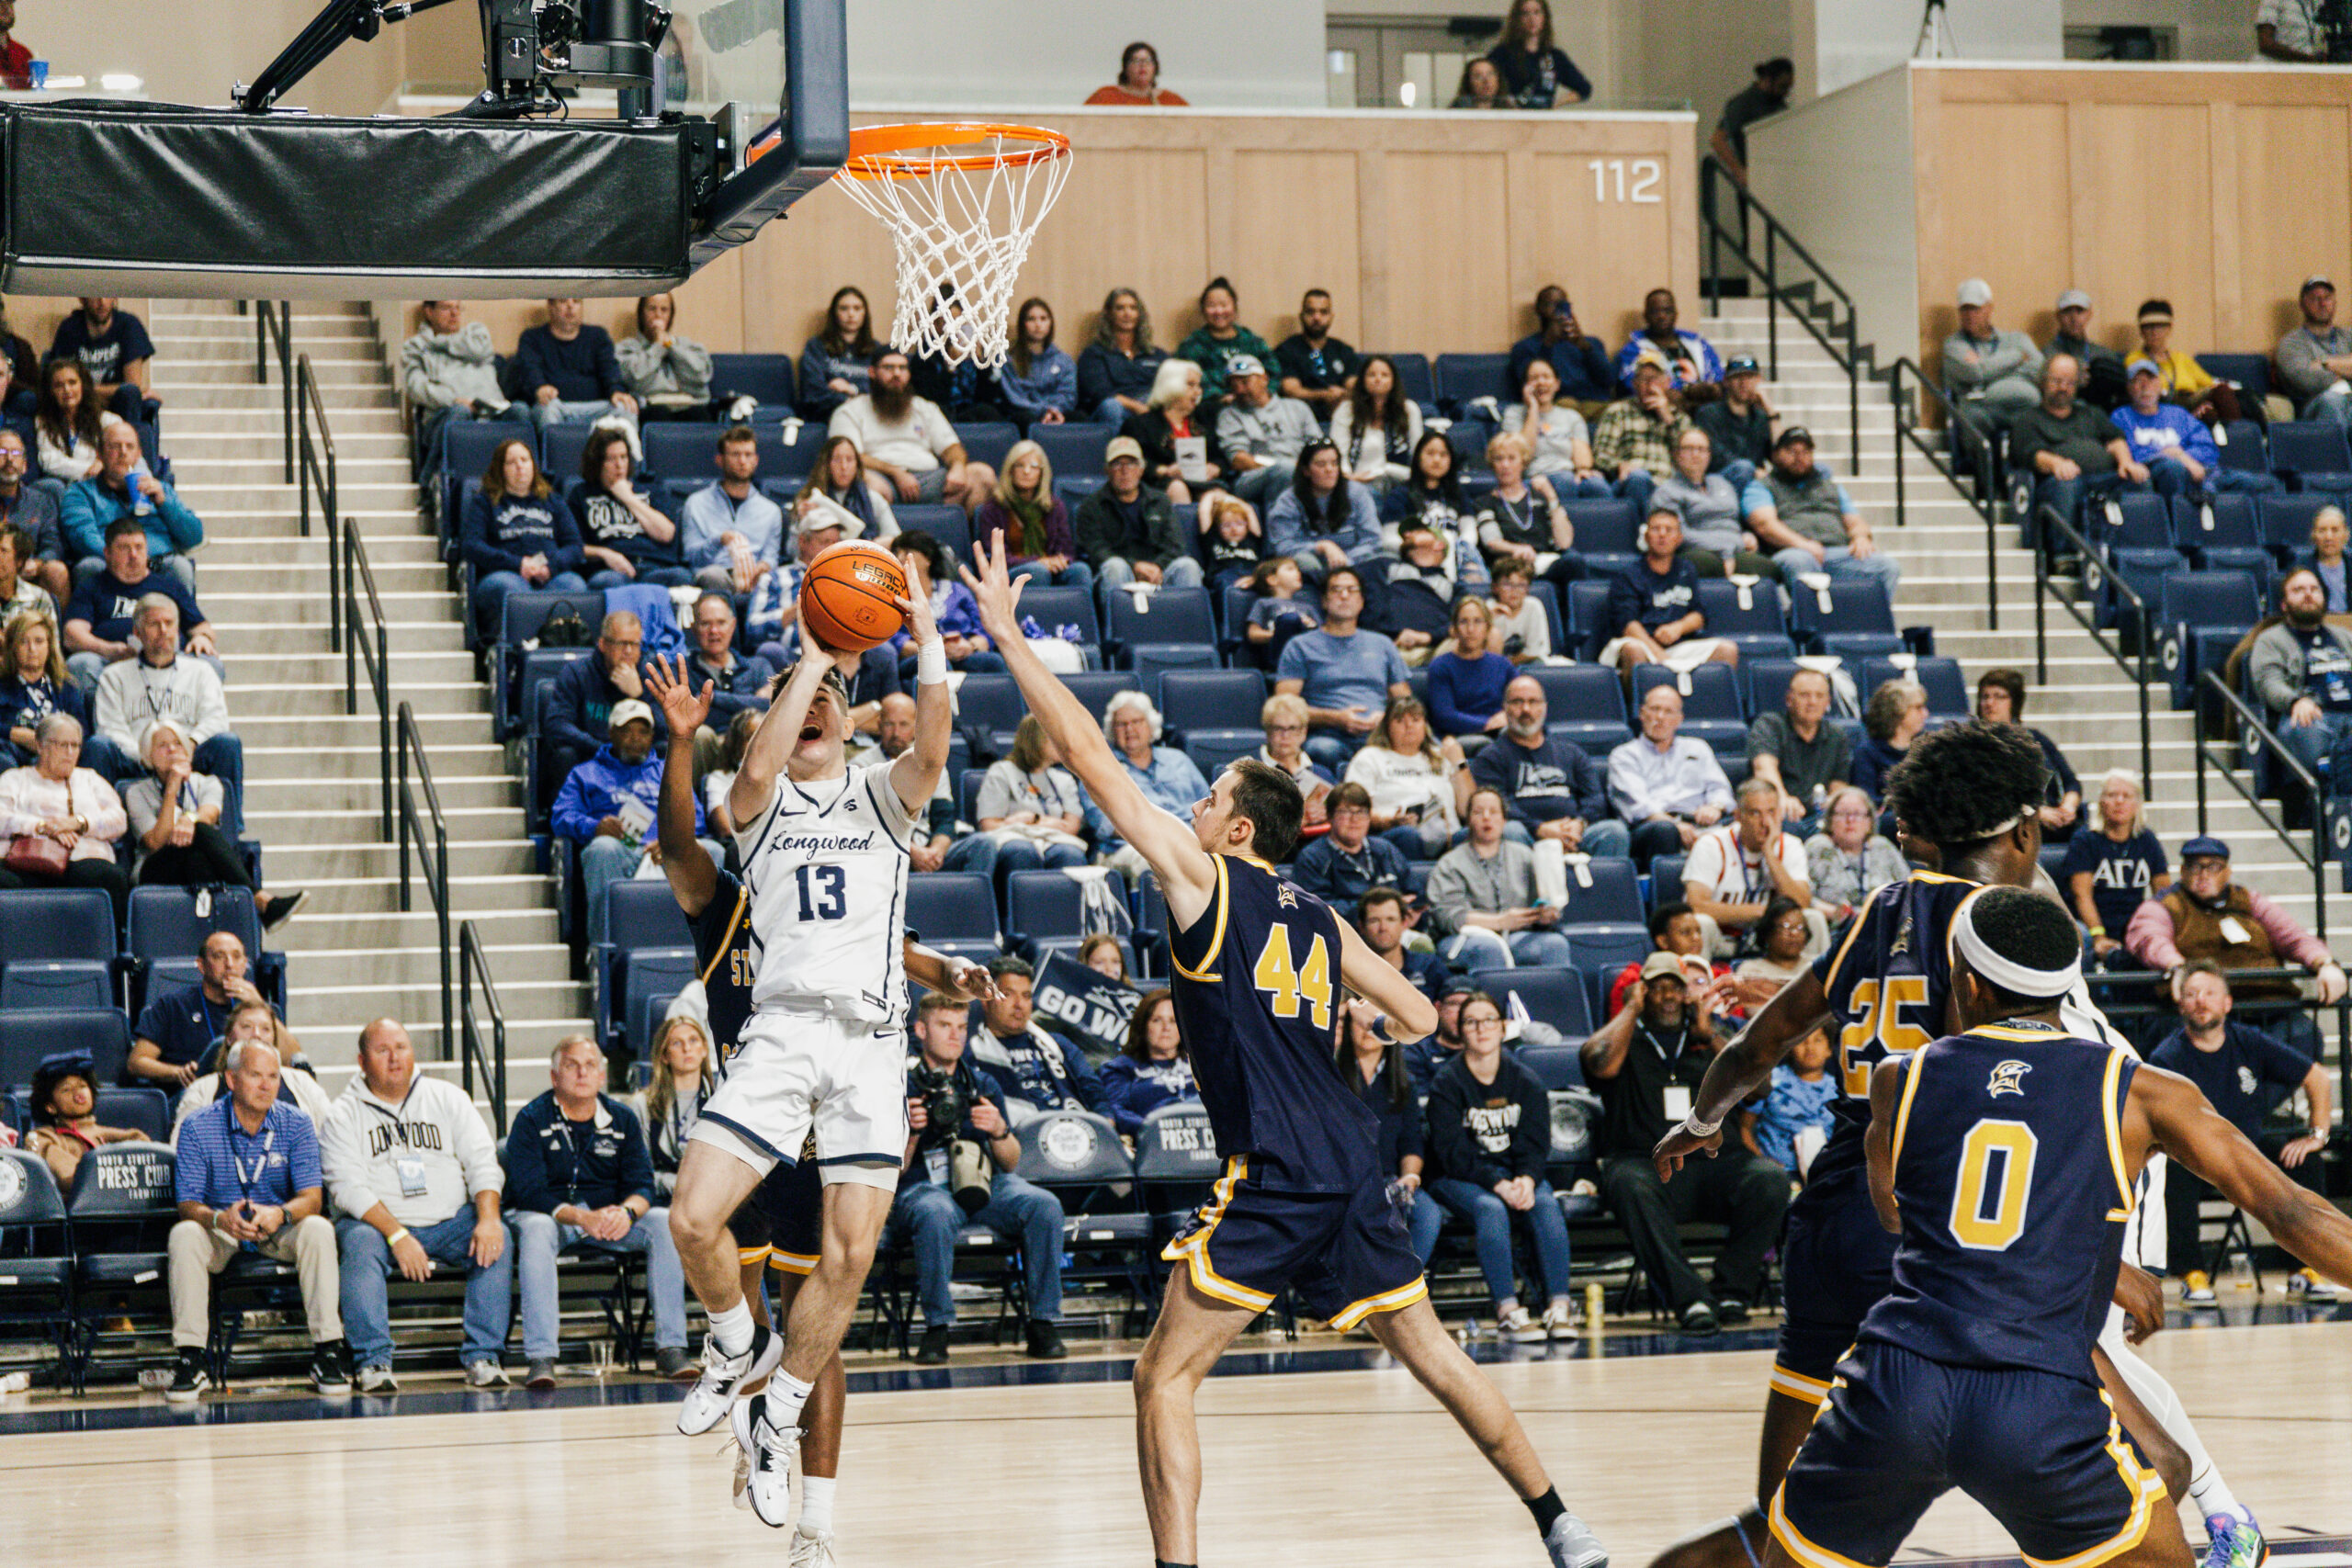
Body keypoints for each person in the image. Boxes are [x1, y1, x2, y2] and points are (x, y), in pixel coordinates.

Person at [960, 532, 1610, 1568]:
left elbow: (1089, 756)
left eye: (1210, 799)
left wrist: (1006, 638)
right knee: (1431, 1351)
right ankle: (1561, 1525)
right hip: (1348, 1159)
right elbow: (1413, 1013)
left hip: (1274, 1170)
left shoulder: (1203, 878)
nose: (1194, 805)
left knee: (1160, 1378)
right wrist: (1342, 1041)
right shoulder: (1322, 917)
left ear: (1237, 834)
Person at [1650, 723, 2263, 1568]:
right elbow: (1992, 1104)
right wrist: (2090, 1256)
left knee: (1782, 1530)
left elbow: (1763, 1040)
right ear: (2019, 830)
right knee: (2139, 1456)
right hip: (1917, 1219)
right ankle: (2221, 1515)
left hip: (1827, 1213)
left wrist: (1704, 1117)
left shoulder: (1878, 908)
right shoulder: (1995, 929)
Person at [1762, 887, 2352, 1568]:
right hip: (2038, 1393)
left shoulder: (1899, 1079)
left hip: (1897, 1381)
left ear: (1968, 981)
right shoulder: (2140, 1089)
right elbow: (2291, 1211)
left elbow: (1892, 1209)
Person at [642, 654, 987, 1549]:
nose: (819, 708)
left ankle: (800, 1488)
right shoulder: (737, 865)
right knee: (697, 1228)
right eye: (806, 704)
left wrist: (942, 968)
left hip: (857, 1062)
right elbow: (707, 818)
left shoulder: (877, 800)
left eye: (833, 701)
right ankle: (734, 1358)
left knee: (831, 1300)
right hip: (774, 1071)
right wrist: (812, 652)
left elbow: (888, 930)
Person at [1585, 952, 1786, 1333]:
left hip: (1714, 1165)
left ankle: (1733, 1291)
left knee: (1769, 1179)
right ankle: (1690, 1298)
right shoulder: (1625, 1040)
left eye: (1675, 988)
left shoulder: (1710, 1041)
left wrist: (1709, 1034)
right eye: (1656, 988)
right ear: (1641, 993)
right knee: (1626, 1183)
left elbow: (1760, 1088)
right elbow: (1601, 1065)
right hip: (1645, 1164)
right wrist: (1630, 1009)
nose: (1668, 996)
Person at [322, 1018, 514, 1393]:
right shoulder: (342, 1114)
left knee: (498, 1234)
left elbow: (482, 1163)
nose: (395, 1058)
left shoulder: (448, 1098)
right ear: (362, 1062)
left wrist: (489, 1218)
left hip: (450, 1220)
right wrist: (397, 1234)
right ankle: (373, 1362)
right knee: (358, 1242)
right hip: (377, 1227)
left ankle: (483, 1356)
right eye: (382, 1050)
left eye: (402, 1047)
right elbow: (347, 1188)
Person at [888, 990, 1071, 1363]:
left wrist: (1000, 1130)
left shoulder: (982, 1084)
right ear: (921, 1030)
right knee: (934, 1213)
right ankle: (938, 1329)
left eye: (961, 1027)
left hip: (985, 1183)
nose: (955, 1036)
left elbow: (1011, 1163)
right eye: (944, 1026)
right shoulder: (899, 1087)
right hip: (923, 1186)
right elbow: (891, 1173)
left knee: (1043, 1205)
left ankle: (1043, 1324)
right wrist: (911, 1133)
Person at [165, 1038, 348, 1401]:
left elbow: (313, 1198)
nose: (267, 1085)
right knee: (184, 1234)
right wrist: (219, 1218)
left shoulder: (297, 1123)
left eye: (273, 1076)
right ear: (231, 1080)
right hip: (222, 1230)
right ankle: (191, 1357)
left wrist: (281, 1213)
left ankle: (328, 1350)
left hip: (277, 1227)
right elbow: (187, 1203)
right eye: (255, 1076)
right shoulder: (197, 1126)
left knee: (318, 1228)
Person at [506, 1033, 692, 1386]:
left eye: (590, 1065)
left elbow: (642, 1185)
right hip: (553, 1216)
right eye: (571, 1065)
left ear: (602, 1076)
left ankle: (672, 1349)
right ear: (553, 1076)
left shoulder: (621, 1118)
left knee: (664, 1222)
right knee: (535, 1230)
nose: (582, 1073)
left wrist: (626, 1213)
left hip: (610, 1219)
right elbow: (528, 1192)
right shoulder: (531, 1119)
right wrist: (581, 1217)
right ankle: (541, 1357)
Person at [2149, 964, 2338, 1303]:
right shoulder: (2167, 1057)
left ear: (2227, 1003)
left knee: (2303, 1160)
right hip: (2194, 1157)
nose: (2200, 1001)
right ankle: (2191, 1275)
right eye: (2191, 995)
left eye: (2209, 993)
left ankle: (2303, 1270)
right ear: (2181, 1006)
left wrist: (2317, 1137)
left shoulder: (2247, 1040)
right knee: (2172, 1172)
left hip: (2248, 1150)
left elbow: (2317, 1078)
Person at [1425, 989, 1577, 1338]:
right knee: (1490, 1208)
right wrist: (1498, 1183)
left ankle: (1559, 1307)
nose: (1481, 1029)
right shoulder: (1446, 1083)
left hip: (1515, 1175)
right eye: (1471, 1022)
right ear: (1461, 1031)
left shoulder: (1526, 1080)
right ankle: (1508, 1310)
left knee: (1544, 1202)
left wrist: (1525, 1178)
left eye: (1489, 1020)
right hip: (1459, 1177)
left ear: (1503, 1027)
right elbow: (1452, 1153)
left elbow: (1536, 1144)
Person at [2122, 834, 2345, 1050]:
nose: (2203, 874)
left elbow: (2293, 936)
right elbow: (2149, 937)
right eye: (2195, 867)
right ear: (2182, 871)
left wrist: (2324, 962)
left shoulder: (2249, 901)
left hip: (2267, 1005)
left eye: (2214, 867)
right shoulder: (2166, 903)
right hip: (2203, 1012)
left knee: (2304, 1035)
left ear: (2227, 872)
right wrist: (2177, 966)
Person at [556, 698, 709, 947]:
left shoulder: (667, 770)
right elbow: (562, 816)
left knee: (712, 851)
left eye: (643, 731)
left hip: (666, 851)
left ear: (651, 736)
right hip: (621, 851)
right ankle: (605, 952)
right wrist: (594, 827)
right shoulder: (586, 773)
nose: (635, 738)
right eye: (626, 730)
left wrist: (673, 842)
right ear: (611, 733)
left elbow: (698, 816)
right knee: (602, 849)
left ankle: (706, 949)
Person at [123, 717, 304, 919]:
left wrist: (188, 819)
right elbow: (156, 842)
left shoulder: (209, 783)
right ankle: (260, 901)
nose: (172, 750)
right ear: (149, 756)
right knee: (200, 833)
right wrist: (172, 789)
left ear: (188, 752)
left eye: (178, 744)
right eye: (162, 746)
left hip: (194, 862)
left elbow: (209, 814)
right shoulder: (136, 793)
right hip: (155, 869)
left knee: (199, 859)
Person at [1466, 674, 1629, 857]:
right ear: (1505, 708)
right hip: (1527, 838)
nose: (1526, 709)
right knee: (1510, 831)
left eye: (1533, 701)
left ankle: (1600, 886)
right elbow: (1498, 806)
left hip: (1574, 836)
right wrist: (1539, 828)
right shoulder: (1490, 757)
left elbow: (1595, 799)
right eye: (1517, 702)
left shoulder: (1571, 752)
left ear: (1544, 707)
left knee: (1615, 831)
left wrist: (1578, 825)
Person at [1339, 1000, 1446, 1265]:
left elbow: (1412, 1142)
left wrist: (1410, 1176)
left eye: (1376, 1024)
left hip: (1389, 1180)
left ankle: (1405, 1288)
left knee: (1428, 1213)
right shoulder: (1331, 1076)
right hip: (1343, 1181)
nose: (1368, 1030)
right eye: (1362, 1023)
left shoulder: (1404, 1082)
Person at [1274, 565, 1411, 770]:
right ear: (1324, 600)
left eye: (1352, 590)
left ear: (1362, 600)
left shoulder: (1382, 644)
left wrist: (1386, 718)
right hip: (1328, 736)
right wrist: (1336, 718)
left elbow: (1405, 701)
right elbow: (1285, 708)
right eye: (1336, 590)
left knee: (1429, 749)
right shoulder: (1300, 646)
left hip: (1380, 735)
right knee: (1321, 749)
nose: (1344, 596)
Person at [828, 348, 995, 514]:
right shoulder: (849, 411)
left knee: (982, 475)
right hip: (880, 479)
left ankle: (955, 532)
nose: (897, 374)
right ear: (872, 372)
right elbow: (848, 457)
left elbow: (951, 447)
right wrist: (895, 472)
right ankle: (880, 538)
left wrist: (958, 466)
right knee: (867, 485)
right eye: (888, 368)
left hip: (928, 479)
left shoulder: (924, 407)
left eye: (902, 368)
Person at [0, 712, 128, 923]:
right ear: (40, 746)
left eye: (75, 746)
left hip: (81, 858)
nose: (70, 753)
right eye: (62, 745)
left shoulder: (90, 779)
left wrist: (78, 822)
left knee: (110, 877)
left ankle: (116, 952)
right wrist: (42, 826)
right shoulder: (15, 778)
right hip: (26, 860)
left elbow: (119, 820)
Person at [1741, 427, 1898, 598]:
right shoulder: (1762, 486)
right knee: (1800, 561)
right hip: (1792, 552)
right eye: (1791, 451)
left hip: (1836, 552)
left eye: (1805, 451)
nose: (1799, 457)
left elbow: (1855, 521)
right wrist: (1803, 545)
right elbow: (1765, 525)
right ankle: (1813, 623)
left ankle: (1866, 623)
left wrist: (1861, 537)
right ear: (1776, 455)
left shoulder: (1830, 487)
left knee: (1887, 566)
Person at [2012, 354, 2152, 546]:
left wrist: (2126, 463)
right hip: (2058, 482)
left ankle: (2144, 551)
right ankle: (2064, 557)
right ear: (2043, 382)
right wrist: (2056, 464)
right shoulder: (2029, 420)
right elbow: (2031, 454)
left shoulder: (2091, 413)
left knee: (2140, 479)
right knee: (2068, 485)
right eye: (2057, 381)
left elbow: (2115, 439)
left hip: (2103, 479)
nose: (2063, 388)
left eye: (2070, 382)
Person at [1428, 786, 1571, 972]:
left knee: (1554, 944)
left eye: (1494, 812)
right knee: (1489, 948)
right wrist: (1500, 921)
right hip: (1464, 939)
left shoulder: (1524, 855)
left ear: (1504, 820)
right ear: (1469, 820)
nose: (1486, 817)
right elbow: (1448, 917)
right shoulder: (1450, 863)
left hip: (1516, 936)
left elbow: (1540, 901)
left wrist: (1544, 915)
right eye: (1478, 812)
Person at [461, 437, 587, 634]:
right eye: (512, 462)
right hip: (505, 573)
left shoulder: (552, 500)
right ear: (500, 469)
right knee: (516, 591)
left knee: (575, 585)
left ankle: (560, 647)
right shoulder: (485, 502)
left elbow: (575, 547)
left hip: (550, 574)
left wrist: (550, 566)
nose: (520, 466)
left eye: (525, 460)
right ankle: (519, 653)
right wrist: (518, 564)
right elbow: (472, 546)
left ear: (534, 466)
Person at [2247, 568, 2352, 804]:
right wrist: (2296, 700)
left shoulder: (2343, 636)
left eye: (2314, 589)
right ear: (2284, 604)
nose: (2308, 594)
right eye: (2298, 590)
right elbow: (2268, 682)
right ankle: (2322, 808)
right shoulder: (2271, 640)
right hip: (2312, 717)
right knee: (2305, 730)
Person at [61, 420, 203, 592]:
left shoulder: (160, 490)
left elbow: (194, 536)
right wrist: (128, 560)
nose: (123, 452)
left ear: (138, 455)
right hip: (108, 566)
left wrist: (164, 503)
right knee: (89, 567)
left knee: (180, 567)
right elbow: (84, 538)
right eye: (115, 446)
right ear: (100, 454)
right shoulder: (80, 492)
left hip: (157, 564)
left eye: (130, 447)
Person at [1683, 779, 1818, 959]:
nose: (1765, 822)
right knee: (1702, 923)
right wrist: (1761, 912)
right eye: (1755, 813)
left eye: (1771, 812)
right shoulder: (1712, 844)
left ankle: (1816, 985)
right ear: (1738, 816)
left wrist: (1770, 854)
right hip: (1723, 938)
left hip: (1773, 937)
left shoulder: (1791, 846)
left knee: (1812, 919)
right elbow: (1696, 906)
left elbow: (1801, 903)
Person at [2111, 356, 2279, 499]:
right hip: (2162, 478)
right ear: (2129, 388)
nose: (2145, 386)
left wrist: (2184, 457)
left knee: (2268, 484)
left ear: (2160, 385)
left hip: (2202, 473)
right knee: (2172, 469)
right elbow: (2131, 454)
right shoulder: (2121, 417)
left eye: (2150, 379)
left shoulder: (2178, 414)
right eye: (2137, 381)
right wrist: (2172, 456)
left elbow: (2208, 449)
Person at [1609, 683, 1736, 869]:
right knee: (1664, 831)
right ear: (1642, 714)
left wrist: (1715, 807)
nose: (1660, 717)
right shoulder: (1624, 755)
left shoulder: (1697, 748)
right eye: (1655, 709)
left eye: (1668, 712)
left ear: (1679, 719)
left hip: (1700, 822)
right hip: (1655, 827)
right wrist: (1676, 825)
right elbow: (1639, 807)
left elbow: (1720, 789)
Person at [130, 930, 275, 1089]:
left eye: (236, 956)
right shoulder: (173, 1005)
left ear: (244, 964)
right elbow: (137, 1062)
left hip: (249, 1091)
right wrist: (177, 1072)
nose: (229, 964)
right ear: (202, 965)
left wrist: (260, 1004)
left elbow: (292, 1056)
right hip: (191, 1092)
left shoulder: (257, 1008)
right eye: (219, 956)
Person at [968, 957, 1111, 1120]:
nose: (1019, 1004)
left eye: (1026, 996)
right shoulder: (972, 1053)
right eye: (1008, 995)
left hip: (1073, 1130)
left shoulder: (1058, 1044)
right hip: (1017, 1136)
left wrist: (1107, 1123)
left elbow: (1094, 1091)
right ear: (986, 1000)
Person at [1089, 691, 1212, 875]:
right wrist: (1161, 837)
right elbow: (1105, 825)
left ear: (1151, 725)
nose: (1129, 729)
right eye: (1122, 724)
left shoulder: (1178, 760)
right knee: (1155, 860)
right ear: (1111, 730)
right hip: (1131, 849)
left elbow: (1208, 805)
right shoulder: (1100, 768)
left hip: (1191, 841)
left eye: (1136, 722)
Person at [1602, 510, 1738, 674]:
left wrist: (1678, 628)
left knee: (1727, 650)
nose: (1662, 534)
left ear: (1679, 538)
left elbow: (1699, 615)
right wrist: (1658, 655)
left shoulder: (1687, 570)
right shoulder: (1629, 575)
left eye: (1669, 529)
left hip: (1677, 645)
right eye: (1655, 529)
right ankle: (1638, 700)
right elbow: (1628, 625)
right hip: (1640, 643)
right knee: (1634, 649)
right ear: (1646, 537)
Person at [971, 713, 1091, 890]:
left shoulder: (1064, 779)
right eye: (1054, 737)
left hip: (1054, 840)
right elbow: (989, 825)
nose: (1062, 743)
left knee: (1069, 854)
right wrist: (1052, 823)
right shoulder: (1001, 772)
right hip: (1014, 839)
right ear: (1036, 740)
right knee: (1022, 851)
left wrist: (1032, 819)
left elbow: (1071, 826)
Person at [2061, 771, 2168, 967]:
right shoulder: (2085, 840)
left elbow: (2163, 894)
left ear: (2137, 805)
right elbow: (2082, 896)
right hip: (2091, 924)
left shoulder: (2147, 841)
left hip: (2134, 923)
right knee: (2082, 936)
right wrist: (2098, 936)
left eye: (2127, 796)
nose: (2119, 801)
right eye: (2112, 795)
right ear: (2101, 802)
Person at [544, 609, 655, 794]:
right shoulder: (577, 673)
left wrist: (638, 696)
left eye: (634, 645)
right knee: (564, 754)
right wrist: (603, 749)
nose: (628, 651)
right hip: (590, 756)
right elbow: (557, 724)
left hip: (637, 758)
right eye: (621, 644)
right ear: (602, 644)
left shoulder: (648, 677)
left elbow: (664, 729)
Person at [568, 425, 690, 589]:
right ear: (597, 463)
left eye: (624, 457)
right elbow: (573, 546)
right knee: (610, 582)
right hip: (611, 570)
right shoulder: (581, 495)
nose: (619, 465)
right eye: (611, 459)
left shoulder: (650, 490)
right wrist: (605, 553)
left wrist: (628, 498)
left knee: (681, 577)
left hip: (655, 566)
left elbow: (666, 534)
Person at [1073, 436, 1201, 589]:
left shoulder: (1160, 501)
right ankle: (1117, 612)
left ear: (1141, 469)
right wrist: (1134, 566)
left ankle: (1187, 613)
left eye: (1131, 464)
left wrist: (1157, 566)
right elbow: (1097, 550)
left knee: (1188, 566)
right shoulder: (1091, 506)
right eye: (1117, 464)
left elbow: (1176, 545)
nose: (1124, 471)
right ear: (1107, 470)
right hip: (1121, 570)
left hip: (1158, 570)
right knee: (1114, 567)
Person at [677, 424, 788, 600]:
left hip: (754, 578)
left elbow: (771, 557)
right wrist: (720, 540)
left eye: (748, 455)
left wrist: (762, 568)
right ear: (720, 460)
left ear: (756, 460)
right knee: (714, 576)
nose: (742, 461)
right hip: (713, 576)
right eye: (735, 454)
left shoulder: (771, 511)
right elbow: (691, 556)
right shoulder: (696, 503)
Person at [1655, 425, 1778, 581]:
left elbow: (1734, 521)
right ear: (1677, 455)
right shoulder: (1667, 492)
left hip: (1735, 549)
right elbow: (1678, 535)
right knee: (1705, 564)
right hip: (1698, 550)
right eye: (1688, 448)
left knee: (1767, 567)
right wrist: (1726, 548)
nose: (1695, 454)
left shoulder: (1722, 483)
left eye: (1701, 449)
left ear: (1709, 455)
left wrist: (1745, 536)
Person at [1973, 667, 2082, 841]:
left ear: (2014, 703)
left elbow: (2071, 782)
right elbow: (1986, 798)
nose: (1989, 703)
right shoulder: (1974, 744)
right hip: (2008, 828)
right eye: (1985, 696)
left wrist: (2068, 806)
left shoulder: (2035, 738)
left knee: (2087, 838)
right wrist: (2036, 814)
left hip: (2052, 820)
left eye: (1999, 696)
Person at [401, 300, 524, 453]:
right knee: (460, 412)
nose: (455, 313)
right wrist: (454, 400)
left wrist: (440, 342)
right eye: (447, 308)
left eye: (457, 307)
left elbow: (482, 350)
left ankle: (533, 474)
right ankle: (437, 473)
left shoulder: (475, 335)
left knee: (520, 410)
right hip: (447, 413)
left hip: (492, 412)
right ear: (429, 312)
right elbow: (416, 388)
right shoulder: (416, 346)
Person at [681, 593, 774, 776]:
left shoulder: (758, 666)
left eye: (721, 623)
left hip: (752, 746)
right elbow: (686, 716)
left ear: (732, 625)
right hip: (708, 750)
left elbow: (771, 707)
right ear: (693, 628)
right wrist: (751, 701)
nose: (714, 631)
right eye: (705, 624)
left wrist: (714, 699)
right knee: (701, 735)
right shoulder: (683, 670)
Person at [975, 439, 1091, 588]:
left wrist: (1060, 560)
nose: (1026, 471)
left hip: (1048, 568)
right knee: (1036, 571)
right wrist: (1038, 561)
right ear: (1010, 471)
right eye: (1020, 465)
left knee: (1080, 570)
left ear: (1042, 473)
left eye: (1034, 466)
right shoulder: (993, 509)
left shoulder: (1054, 506)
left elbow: (1067, 551)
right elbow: (996, 558)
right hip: (1009, 572)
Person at [891, 531, 1005, 679]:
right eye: (896, 553)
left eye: (906, 552)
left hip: (961, 652)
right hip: (917, 656)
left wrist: (971, 646)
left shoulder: (957, 590)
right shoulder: (894, 597)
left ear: (928, 559)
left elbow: (984, 629)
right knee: (938, 662)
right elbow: (892, 639)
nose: (899, 558)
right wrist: (934, 650)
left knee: (994, 662)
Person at [1215, 354, 1321, 510]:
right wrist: (1290, 468)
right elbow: (1239, 460)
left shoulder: (1298, 408)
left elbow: (1318, 449)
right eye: (1234, 385)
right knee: (1285, 470)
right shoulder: (1230, 415)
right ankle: (1280, 531)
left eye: (1245, 382)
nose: (1240, 390)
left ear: (1264, 379)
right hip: (1253, 478)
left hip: (1302, 471)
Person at [1746, 670, 1849, 831]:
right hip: (1782, 814)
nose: (1812, 702)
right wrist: (1782, 798)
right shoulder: (1769, 725)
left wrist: (1832, 803)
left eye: (1819, 696)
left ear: (1828, 702)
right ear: (1789, 699)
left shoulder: (1837, 735)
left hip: (1819, 816)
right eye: (1804, 695)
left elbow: (1839, 786)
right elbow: (1764, 768)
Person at [1941, 278, 2045, 436]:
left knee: (2044, 417)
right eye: (1964, 309)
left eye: (1975, 309)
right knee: (1973, 419)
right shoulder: (1954, 345)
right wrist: (2017, 358)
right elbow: (1975, 373)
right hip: (1979, 408)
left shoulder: (2017, 339)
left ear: (1989, 309)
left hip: (2021, 406)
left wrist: (1987, 369)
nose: (1969, 315)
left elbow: (2040, 369)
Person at [516, 297, 638, 432]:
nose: (570, 306)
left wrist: (616, 391)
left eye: (576, 301)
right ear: (550, 305)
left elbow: (609, 369)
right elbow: (530, 369)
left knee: (625, 408)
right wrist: (539, 387)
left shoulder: (598, 336)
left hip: (596, 408)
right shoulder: (532, 338)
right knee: (548, 409)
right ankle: (555, 452)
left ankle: (626, 453)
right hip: (556, 406)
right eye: (563, 301)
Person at [1476, 432, 1579, 588]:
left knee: (1574, 562)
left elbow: (1564, 542)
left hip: (1545, 562)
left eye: (1511, 458)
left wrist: (1551, 497)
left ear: (1523, 462)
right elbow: (1492, 542)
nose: (1505, 465)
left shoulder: (1541, 496)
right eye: (1499, 459)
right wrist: (1517, 549)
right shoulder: (1485, 502)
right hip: (1510, 564)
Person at [24, 1052, 144, 1187]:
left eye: (83, 1086)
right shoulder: (41, 1137)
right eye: (66, 1090)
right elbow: (73, 1178)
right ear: (51, 1106)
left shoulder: (117, 1135)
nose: (78, 1093)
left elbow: (145, 1155)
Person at [1590, 355, 1690, 516]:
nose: (1650, 385)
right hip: (1630, 482)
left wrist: (1667, 418)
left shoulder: (1679, 418)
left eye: (1655, 379)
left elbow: (1689, 457)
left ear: (1667, 383)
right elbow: (1601, 455)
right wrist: (1619, 466)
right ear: (1634, 384)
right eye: (1643, 379)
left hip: (1668, 484)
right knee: (1639, 477)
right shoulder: (1618, 412)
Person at [1291, 782, 1411, 909]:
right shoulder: (1312, 858)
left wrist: (1410, 910)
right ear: (1330, 817)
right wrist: (1374, 910)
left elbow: (1414, 892)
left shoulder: (1386, 849)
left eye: (1361, 812)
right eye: (1345, 812)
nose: (1354, 819)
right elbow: (1319, 909)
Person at [1736, 1026, 1835, 1176]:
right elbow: (1744, 1128)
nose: (1810, 1047)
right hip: (1775, 1175)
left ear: (1829, 1049)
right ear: (1789, 1048)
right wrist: (1765, 1166)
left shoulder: (1838, 1090)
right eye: (1802, 1041)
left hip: (1824, 1175)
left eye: (1818, 1040)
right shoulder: (1770, 1080)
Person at [2132, 300, 2245, 429]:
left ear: (2170, 328)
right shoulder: (2135, 360)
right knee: (2208, 417)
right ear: (2141, 331)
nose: (2155, 332)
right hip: (2166, 405)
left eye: (2161, 326)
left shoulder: (2180, 358)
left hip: (2192, 400)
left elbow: (2209, 383)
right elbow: (2146, 390)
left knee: (2222, 394)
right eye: (2149, 327)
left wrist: (2206, 403)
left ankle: (2241, 436)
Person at [1100, 987, 1200, 1135]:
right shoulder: (1121, 1068)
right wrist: (1157, 1129)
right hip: (1154, 1142)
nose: (1166, 1028)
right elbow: (1117, 1112)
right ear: (1143, 1026)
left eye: (1173, 1021)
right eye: (1157, 1020)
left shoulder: (1200, 1066)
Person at [616, 292, 728, 421]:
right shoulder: (627, 348)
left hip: (690, 405)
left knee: (699, 415)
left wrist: (669, 345)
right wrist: (658, 346)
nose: (658, 315)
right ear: (641, 313)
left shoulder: (688, 346)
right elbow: (637, 380)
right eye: (652, 309)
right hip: (651, 408)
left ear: (671, 315)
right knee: (659, 414)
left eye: (664, 310)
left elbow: (700, 376)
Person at [1804, 786, 1905, 926]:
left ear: (1869, 822)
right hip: (1834, 928)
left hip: (1883, 926)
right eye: (1843, 813)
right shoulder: (1818, 847)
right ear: (1830, 820)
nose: (1850, 820)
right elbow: (1803, 897)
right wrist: (1833, 912)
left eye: (1857, 814)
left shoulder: (1883, 847)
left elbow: (1907, 889)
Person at [1123, 357, 1217, 505]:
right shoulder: (1140, 425)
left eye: (1199, 386)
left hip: (1204, 482)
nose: (1198, 391)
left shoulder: (1205, 419)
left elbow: (1222, 457)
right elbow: (1130, 461)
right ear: (1172, 386)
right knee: (1178, 488)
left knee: (1215, 494)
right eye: (1191, 385)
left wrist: (1215, 468)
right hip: (1161, 484)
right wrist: (1164, 470)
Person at [637, 1016, 713, 1195]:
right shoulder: (642, 1104)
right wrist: (672, 1184)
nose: (687, 1049)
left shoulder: (721, 1102)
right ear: (664, 1055)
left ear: (704, 1049)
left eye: (693, 1041)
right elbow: (637, 1173)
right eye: (676, 1043)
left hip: (711, 1199)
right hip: (662, 1200)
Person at [1510, 288, 1616, 416]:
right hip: (1558, 403)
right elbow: (1529, 384)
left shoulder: (1590, 343)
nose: (1557, 311)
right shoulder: (1525, 347)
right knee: (1567, 405)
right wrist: (1548, 343)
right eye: (1551, 305)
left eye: (1562, 305)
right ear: (1538, 309)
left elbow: (1609, 379)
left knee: (1619, 410)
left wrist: (1585, 347)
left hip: (1595, 402)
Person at [0, 612, 86, 771]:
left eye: (39, 641)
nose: (32, 649)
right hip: (15, 760)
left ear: (49, 645)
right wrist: (16, 734)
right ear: (13, 648)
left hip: (61, 759)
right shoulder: (3, 686)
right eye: (23, 642)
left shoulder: (66, 687)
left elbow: (82, 732)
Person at [49, 298, 154, 423]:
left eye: (107, 295)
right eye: (96, 295)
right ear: (82, 299)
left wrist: (86, 389)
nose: (102, 302)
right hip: (80, 404)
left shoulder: (129, 325)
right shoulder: (69, 329)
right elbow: (63, 382)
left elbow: (132, 385)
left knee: (130, 393)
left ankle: (124, 440)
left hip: (116, 404)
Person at [1078, 288, 1167, 428]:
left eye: (1133, 308)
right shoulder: (1094, 354)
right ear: (1109, 314)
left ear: (1139, 314)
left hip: (1151, 407)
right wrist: (1137, 407)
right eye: (1120, 308)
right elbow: (1100, 393)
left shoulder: (1156, 354)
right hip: (1117, 409)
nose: (1127, 314)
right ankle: (1119, 449)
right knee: (1111, 406)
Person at [1176, 277, 1275, 404]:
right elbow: (1189, 381)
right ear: (1203, 310)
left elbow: (1273, 373)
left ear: (1234, 307)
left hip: (1255, 403)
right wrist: (1220, 398)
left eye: (1224, 305)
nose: (1218, 311)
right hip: (1211, 408)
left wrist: (1263, 393)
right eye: (1211, 306)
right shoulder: (1191, 345)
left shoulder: (1252, 341)